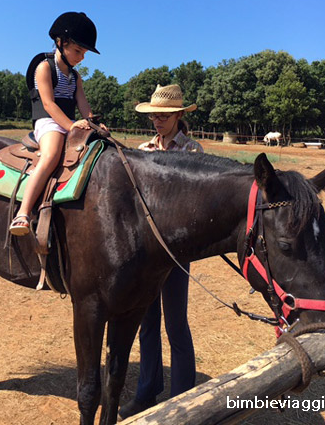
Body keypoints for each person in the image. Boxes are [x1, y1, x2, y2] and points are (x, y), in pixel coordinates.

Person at [118, 84, 203, 420]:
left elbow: (194, 205)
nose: (157, 120)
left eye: (164, 115)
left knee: (176, 324)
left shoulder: (193, 151)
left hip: (176, 253)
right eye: (154, 115)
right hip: (146, 254)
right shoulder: (142, 150)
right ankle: (146, 391)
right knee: (147, 321)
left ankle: (182, 398)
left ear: (178, 115)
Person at [9, 11, 102, 235]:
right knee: (51, 155)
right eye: (78, 51)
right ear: (61, 42)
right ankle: (23, 212)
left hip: (70, 121)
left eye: (84, 53)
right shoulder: (44, 68)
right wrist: (70, 126)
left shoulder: (75, 77)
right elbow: (48, 104)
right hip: (48, 121)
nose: (81, 57)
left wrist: (93, 123)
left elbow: (82, 102)